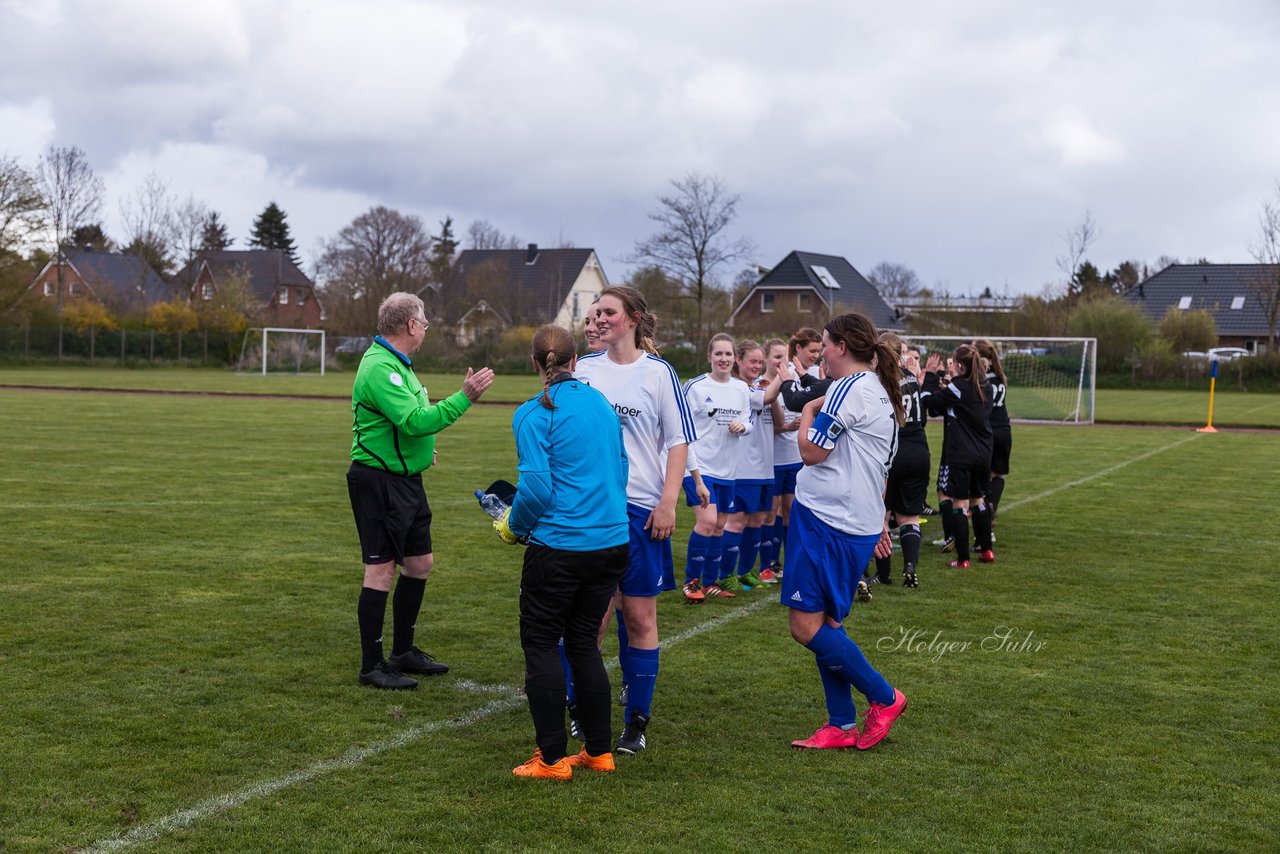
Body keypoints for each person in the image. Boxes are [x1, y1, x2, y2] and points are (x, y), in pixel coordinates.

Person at [498, 324, 631, 780]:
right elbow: (622, 467)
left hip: (560, 547)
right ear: (575, 362)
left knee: (540, 645)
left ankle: (551, 759)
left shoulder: (534, 413)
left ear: (535, 364)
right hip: (610, 542)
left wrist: (512, 526)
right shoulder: (601, 404)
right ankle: (598, 751)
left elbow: (535, 487)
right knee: (582, 646)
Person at [346, 293, 494, 689]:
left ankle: (403, 652)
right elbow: (413, 422)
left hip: (405, 480)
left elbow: (404, 428)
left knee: (420, 563)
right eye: (424, 321)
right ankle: (372, 665)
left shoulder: (400, 366)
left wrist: (421, 454)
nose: (426, 328)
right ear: (410, 325)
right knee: (379, 570)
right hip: (377, 481)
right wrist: (466, 397)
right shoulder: (381, 368)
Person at [575, 285, 693, 755]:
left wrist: (669, 502)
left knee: (640, 615)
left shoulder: (659, 373)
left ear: (633, 318)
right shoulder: (582, 370)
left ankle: (635, 723)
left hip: (642, 511)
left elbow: (678, 442)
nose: (599, 319)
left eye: (608, 312)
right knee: (592, 617)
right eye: (595, 313)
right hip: (592, 511)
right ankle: (580, 708)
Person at [784, 312, 908, 751]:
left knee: (805, 627)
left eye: (824, 344)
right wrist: (877, 519)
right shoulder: (880, 391)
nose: (821, 352)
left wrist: (808, 411)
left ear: (839, 346)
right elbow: (880, 467)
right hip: (852, 523)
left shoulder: (846, 390)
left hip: (826, 521)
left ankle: (885, 697)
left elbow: (812, 452)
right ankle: (840, 723)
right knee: (827, 623)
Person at [681, 333, 751, 601]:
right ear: (709, 356)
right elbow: (682, 431)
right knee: (708, 522)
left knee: (720, 526)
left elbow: (748, 420)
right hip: (700, 468)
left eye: (728, 354)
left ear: (735, 358)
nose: (723, 359)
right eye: (718, 354)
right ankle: (691, 582)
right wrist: (692, 470)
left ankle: (710, 582)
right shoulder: (696, 387)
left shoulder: (741, 388)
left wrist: (743, 426)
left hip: (728, 471)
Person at [922, 344, 994, 569]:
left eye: (953, 362)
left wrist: (931, 375)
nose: (950, 365)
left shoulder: (959, 388)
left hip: (961, 454)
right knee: (979, 500)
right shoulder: (985, 386)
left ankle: (963, 559)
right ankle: (986, 550)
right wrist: (948, 385)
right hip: (983, 453)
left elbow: (927, 402)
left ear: (960, 366)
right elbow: (943, 407)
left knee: (960, 504)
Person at [869, 332, 930, 590]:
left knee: (882, 515)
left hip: (892, 452)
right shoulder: (912, 378)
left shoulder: (879, 381)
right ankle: (910, 567)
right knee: (910, 516)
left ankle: (883, 574)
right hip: (919, 451)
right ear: (900, 354)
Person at [722, 338, 782, 590]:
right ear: (738, 360)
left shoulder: (759, 387)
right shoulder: (737, 388)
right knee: (736, 521)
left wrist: (775, 388)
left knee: (757, 520)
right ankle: (726, 575)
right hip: (743, 468)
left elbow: (777, 418)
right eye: (752, 361)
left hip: (764, 468)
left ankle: (746, 571)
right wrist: (784, 375)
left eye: (760, 361)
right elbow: (765, 397)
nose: (757, 366)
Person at [759, 338, 796, 585]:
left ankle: (787, 562)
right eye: (776, 357)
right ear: (765, 358)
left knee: (790, 512)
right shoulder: (759, 386)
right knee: (769, 514)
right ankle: (767, 564)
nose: (781, 362)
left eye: (785, 357)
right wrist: (785, 428)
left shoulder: (794, 383)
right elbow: (761, 429)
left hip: (794, 459)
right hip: (770, 461)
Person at [974, 338, 1012, 535]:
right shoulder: (1000, 375)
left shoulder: (979, 378)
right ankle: (991, 509)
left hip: (987, 431)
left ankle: (985, 512)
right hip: (1004, 430)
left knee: (984, 475)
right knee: (999, 474)